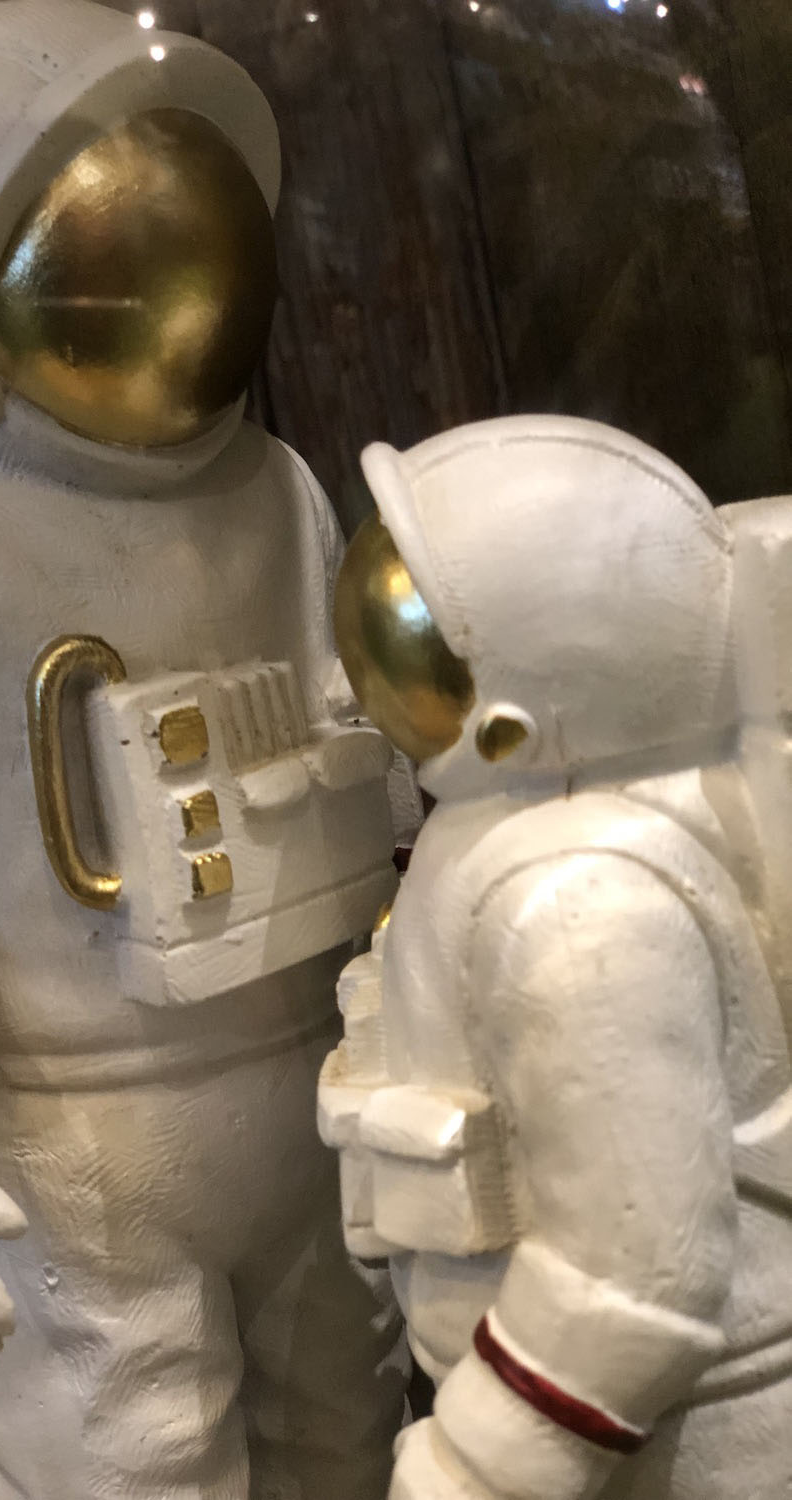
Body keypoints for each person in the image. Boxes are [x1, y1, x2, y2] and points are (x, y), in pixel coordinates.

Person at [0, 3, 408, 1496]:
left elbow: (354, 734)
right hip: (68, 1131)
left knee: (344, 1429)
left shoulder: (276, 495)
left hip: (305, 1067)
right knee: (129, 1462)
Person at [323, 413, 792, 1500]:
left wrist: (476, 1465)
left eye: (413, 637)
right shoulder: (521, 845)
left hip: (674, 1431)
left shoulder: (581, 902)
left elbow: (636, 1275)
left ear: (513, 718)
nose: (371, 672)